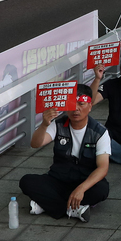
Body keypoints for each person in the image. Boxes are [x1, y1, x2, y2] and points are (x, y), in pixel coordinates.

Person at [18, 84, 108, 222]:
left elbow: (103, 167)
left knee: (102, 189)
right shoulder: (58, 125)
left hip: (84, 180)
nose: (76, 109)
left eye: (81, 104)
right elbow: (35, 144)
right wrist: (44, 124)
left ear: (90, 106)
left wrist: (81, 189)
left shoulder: (99, 132)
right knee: (27, 181)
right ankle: (72, 209)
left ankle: (47, 205)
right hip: (58, 179)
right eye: (71, 104)